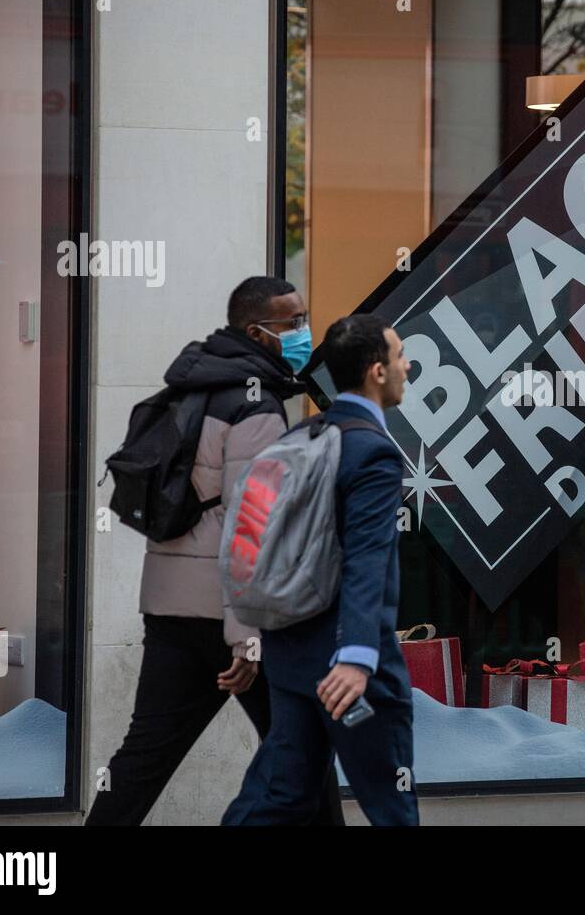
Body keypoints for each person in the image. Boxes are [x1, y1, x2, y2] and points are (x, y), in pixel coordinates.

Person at [88, 276, 338, 825]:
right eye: (292, 322)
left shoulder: (193, 385)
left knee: (144, 757)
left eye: (303, 317)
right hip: (233, 616)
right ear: (258, 332)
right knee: (305, 750)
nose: (303, 331)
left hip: (171, 608)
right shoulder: (258, 408)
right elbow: (253, 525)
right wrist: (246, 638)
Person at [223, 313, 417, 826]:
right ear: (377, 371)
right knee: (391, 802)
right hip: (349, 672)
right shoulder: (373, 452)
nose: (407, 366)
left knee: (279, 794)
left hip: (291, 657)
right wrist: (356, 657)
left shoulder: (306, 435)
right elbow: (365, 560)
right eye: (400, 356)